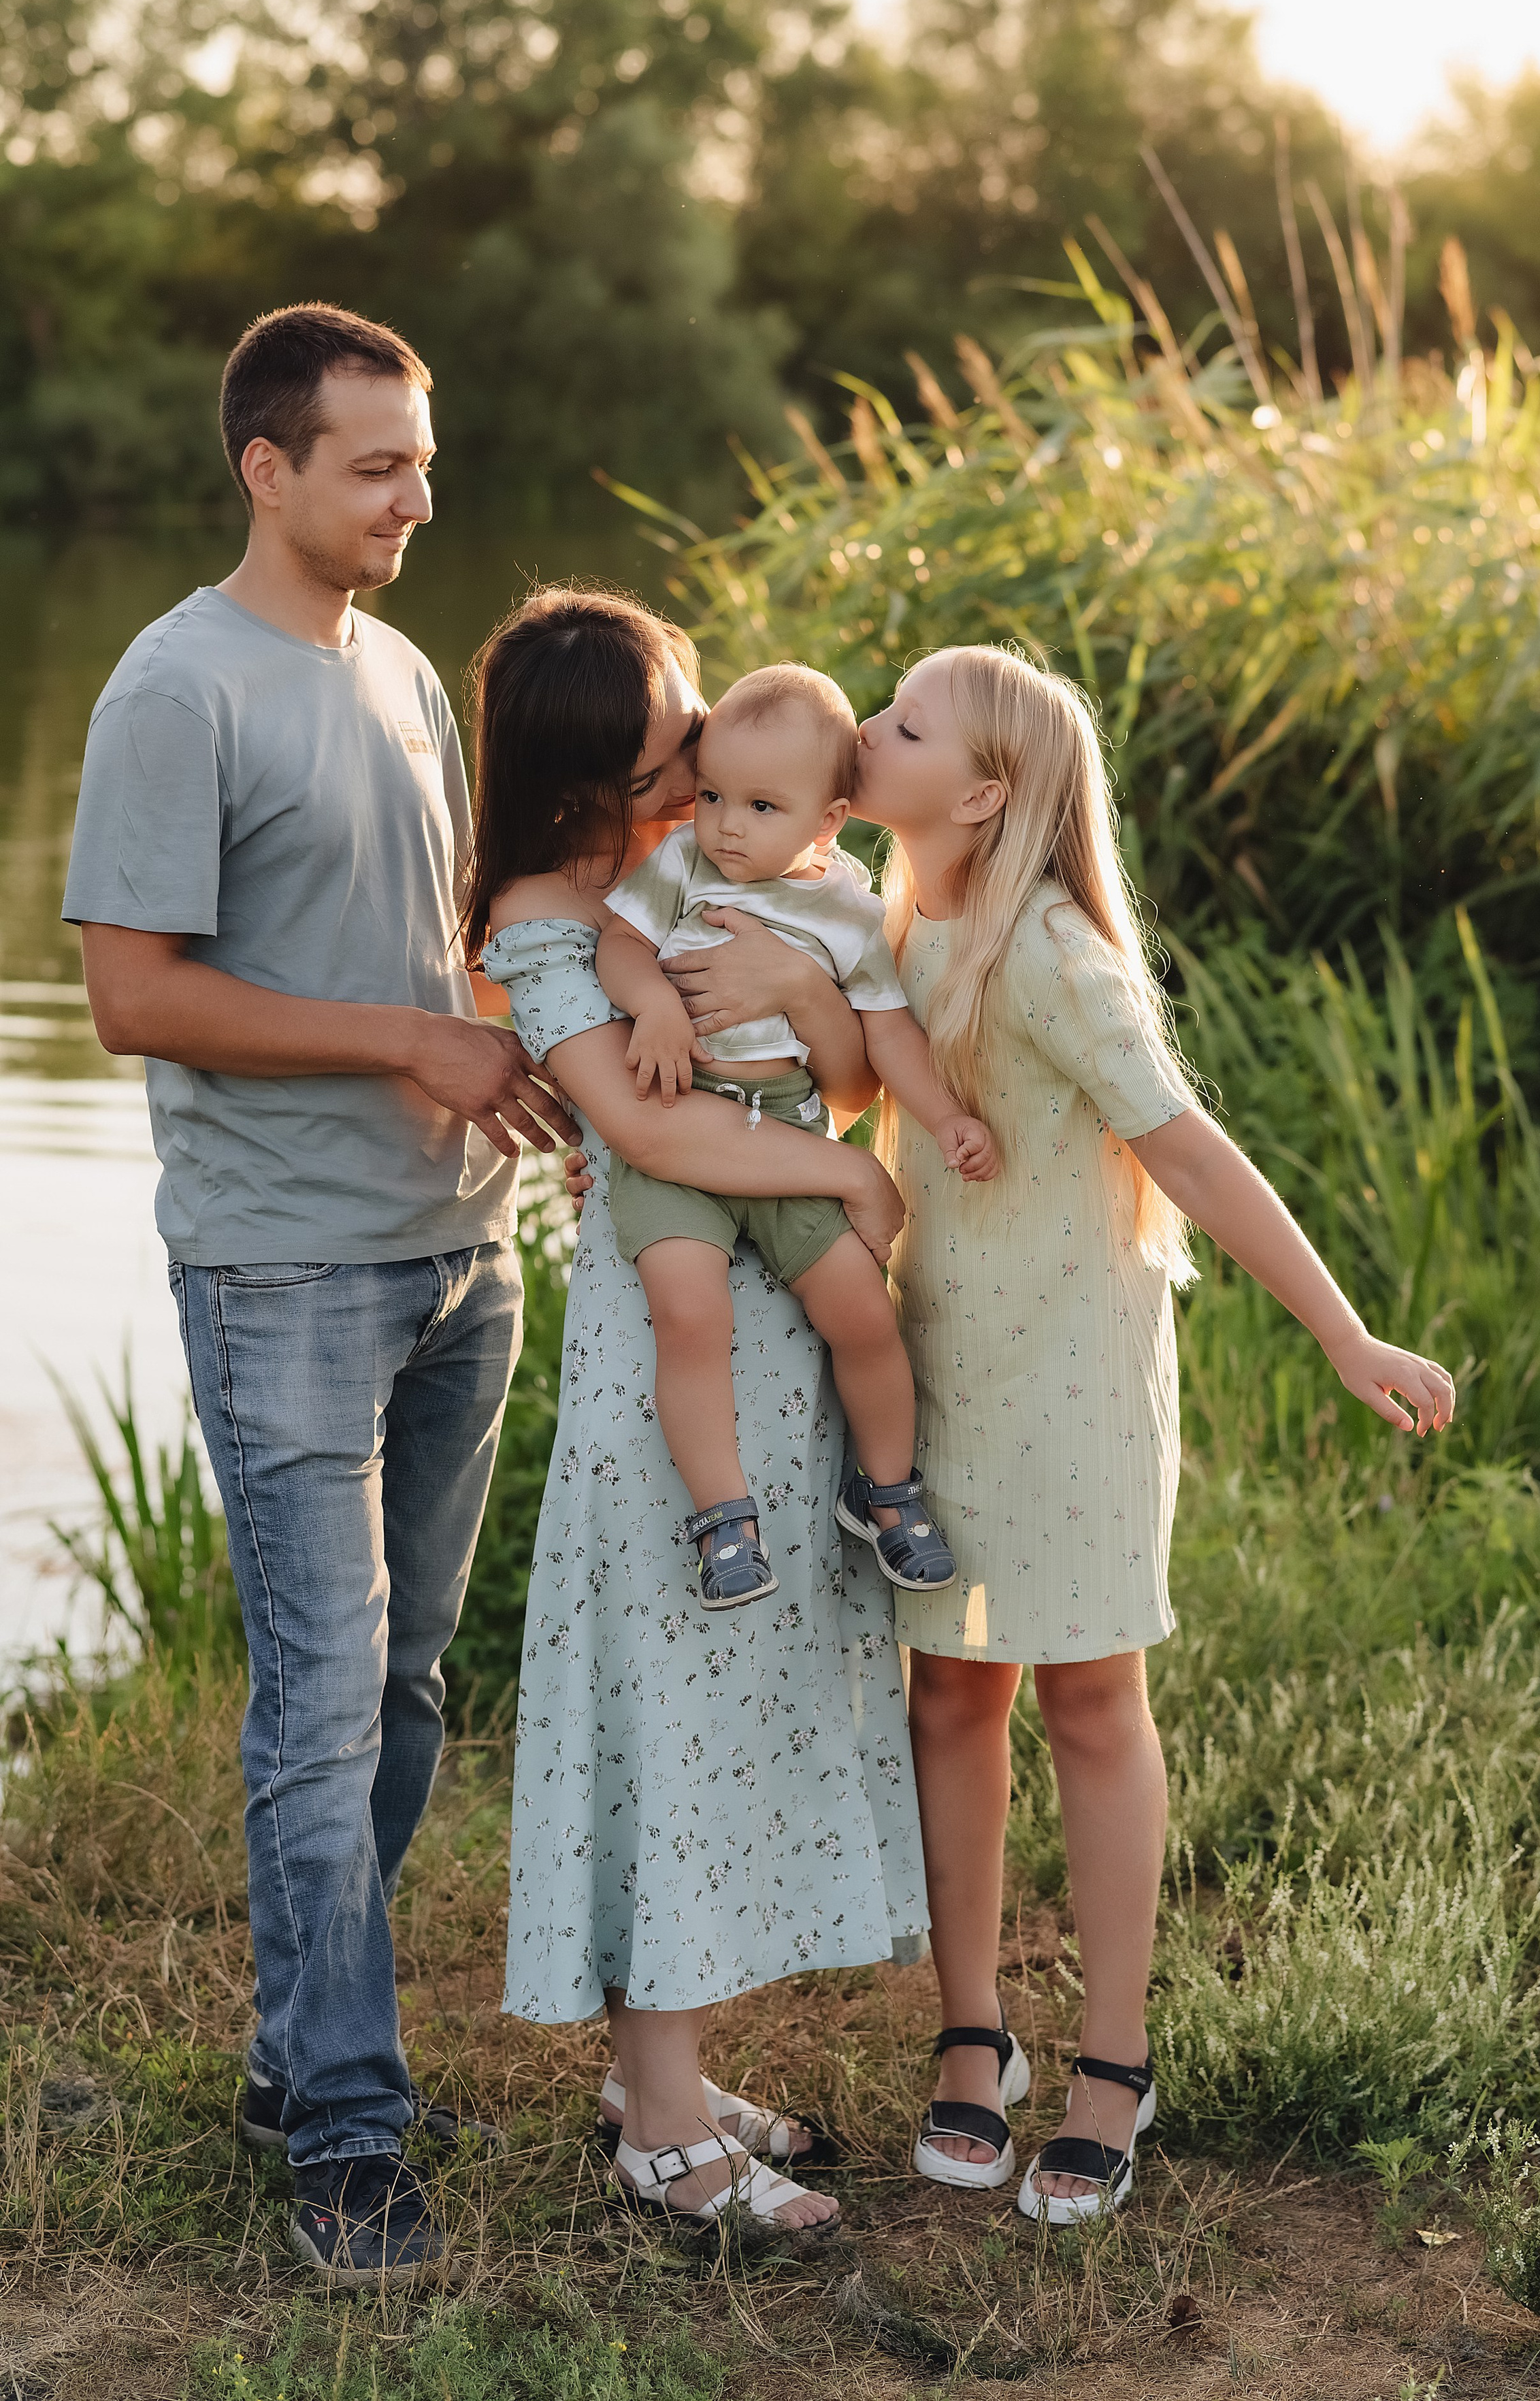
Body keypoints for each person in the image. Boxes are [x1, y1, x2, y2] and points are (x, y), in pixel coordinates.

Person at [61, 304, 584, 2283]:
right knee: (315, 1696)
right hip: (282, 1262)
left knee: (406, 1687)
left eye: (425, 461)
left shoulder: (397, 678)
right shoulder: (173, 687)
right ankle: (349, 2135)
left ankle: (305, 2054)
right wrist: (400, 1043)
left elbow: (440, 951)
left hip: (459, 1255)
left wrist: (548, 1066)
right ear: (266, 469)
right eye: (378, 464)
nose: (417, 498)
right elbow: (135, 994)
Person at [849, 644, 1456, 2226]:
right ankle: (970, 2031)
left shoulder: (1050, 952)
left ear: (981, 792)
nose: (865, 729)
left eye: (901, 724)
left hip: (1075, 1375)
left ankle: (1111, 2054)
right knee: (949, 1696)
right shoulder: (887, 912)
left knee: (1091, 1697)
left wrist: (1341, 1329)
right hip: (942, 1365)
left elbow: (1185, 1149)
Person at [463, 586, 928, 2236]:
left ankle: (659, 2065)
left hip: (770, 1338)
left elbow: (841, 1043)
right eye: (674, 737)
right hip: (668, 1361)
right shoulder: (543, 913)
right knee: (661, 1684)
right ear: (597, 764)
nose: (700, 753)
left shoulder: (692, 886)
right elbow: (656, 1139)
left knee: (724, 1680)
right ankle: (659, 2123)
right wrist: (843, 1176)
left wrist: (810, 1039)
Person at [595, 664, 992, 1611]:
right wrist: (651, 1002)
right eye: (716, 794)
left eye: (763, 805)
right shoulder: (681, 867)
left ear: (830, 820)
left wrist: (945, 1117)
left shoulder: (850, 913)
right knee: (689, 1311)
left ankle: (886, 1489)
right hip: (679, 1122)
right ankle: (724, 1518)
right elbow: (619, 944)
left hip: (784, 1131)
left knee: (860, 1308)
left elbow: (887, 1036)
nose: (726, 823)